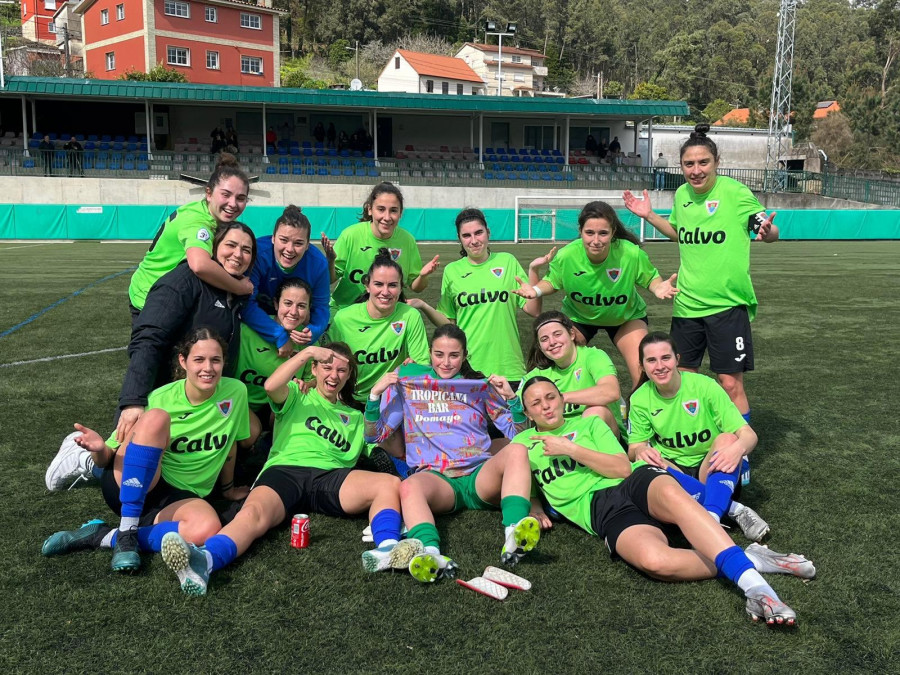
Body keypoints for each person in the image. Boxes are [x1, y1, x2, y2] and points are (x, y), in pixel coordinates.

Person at [516, 377, 814, 626]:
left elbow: (621, 467)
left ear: (561, 398)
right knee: (655, 562)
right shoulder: (522, 445)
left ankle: (757, 589)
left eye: (551, 397)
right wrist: (535, 506)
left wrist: (570, 448)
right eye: (536, 403)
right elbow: (521, 483)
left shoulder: (588, 426)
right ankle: (751, 559)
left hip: (632, 483)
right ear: (527, 413)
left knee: (674, 496)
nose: (546, 406)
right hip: (603, 511)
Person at [158, 342, 405, 596]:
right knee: (252, 513)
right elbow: (270, 386)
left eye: (342, 370)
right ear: (315, 369)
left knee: (389, 483)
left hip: (331, 476)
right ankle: (206, 560)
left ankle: (388, 549)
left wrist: (375, 396)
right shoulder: (297, 394)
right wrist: (309, 352)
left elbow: (376, 438)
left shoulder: (352, 417)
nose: (334, 375)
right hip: (286, 470)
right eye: (327, 367)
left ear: (349, 376)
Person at [42, 329, 251, 572]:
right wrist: (98, 450)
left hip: (181, 497)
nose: (208, 368)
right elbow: (109, 454)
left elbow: (230, 445)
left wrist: (228, 489)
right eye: (199, 360)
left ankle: (102, 536)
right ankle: (126, 527)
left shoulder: (236, 392)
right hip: (132, 484)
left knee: (206, 527)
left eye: (216, 360)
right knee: (156, 418)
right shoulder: (160, 397)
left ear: (224, 362)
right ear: (183, 362)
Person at [623, 123, 779, 419]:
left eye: (703, 162)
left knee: (730, 383)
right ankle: (692, 441)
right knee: (681, 379)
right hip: (687, 306)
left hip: (727, 305)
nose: (696, 170)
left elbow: (768, 229)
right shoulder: (682, 194)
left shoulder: (736, 193)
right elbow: (678, 233)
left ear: (716, 162)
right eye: (689, 164)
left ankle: (740, 450)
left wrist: (767, 232)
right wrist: (650, 215)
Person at [363, 324, 539, 581]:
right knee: (409, 486)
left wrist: (512, 399)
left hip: (479, 476)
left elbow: (519, 434)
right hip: (437, 480)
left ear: (465, 355)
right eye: (439, 354)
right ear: (430, 353)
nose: (446, 362)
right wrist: (375, 394)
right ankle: (431, 552)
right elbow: (374, 435)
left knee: (518, 451)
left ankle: (514, 533)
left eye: (454, 355)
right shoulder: (410, 384)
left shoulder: (478, 386)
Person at [112, 222, 256, 444]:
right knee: (127, 472)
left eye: (246, 250)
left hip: (203, 400)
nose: (238, 254)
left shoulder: (237, 291)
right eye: (231, 245)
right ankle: (84, 459)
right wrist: (133, 401)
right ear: (214, 247)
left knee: (247, 435)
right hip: (165, 396)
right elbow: (148, 339)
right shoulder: (182, 281)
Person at [517, 200, 678, 388]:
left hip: (625, 317)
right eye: (589, 233)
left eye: (603, 233)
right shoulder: (567, 255)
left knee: (644, 373)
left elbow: (650, 278)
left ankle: (637, 416)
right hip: (578, 318)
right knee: (557, 360)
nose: (596, 240)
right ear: (580, 231)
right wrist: (535, 290)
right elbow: (553, 282)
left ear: (613, 233)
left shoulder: (630, 253)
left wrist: (658, 287)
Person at [627, 332, 769, 540]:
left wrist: (737, 450)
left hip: (713, 468)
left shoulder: (704, 386)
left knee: (729, 439)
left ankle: (710, 516)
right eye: (651, 360)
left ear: (677, 359)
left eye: (665, 357)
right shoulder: (640, 398)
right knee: (642, 463)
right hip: (675, 471)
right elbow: (634, 449)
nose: (659, 366)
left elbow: (748, 435)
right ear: (643, 366)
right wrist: (640, 450)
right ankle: (732, 509)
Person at [407, 208, 542, 387]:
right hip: (467, 367)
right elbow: (449, 323)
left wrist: (534, 274)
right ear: (460, 239)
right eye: (467, 235)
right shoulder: (452, 271)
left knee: (510, 415)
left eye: (479, 233)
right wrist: (422, 305)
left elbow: (534, 310)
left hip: (508, 366)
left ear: (488, 233)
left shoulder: (507, 261)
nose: (474, 240)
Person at [127, 153, 253, 322]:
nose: (233, 203)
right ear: (209, 193)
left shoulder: (201, 209)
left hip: (168, 292)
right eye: (226, 194)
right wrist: (239, 288)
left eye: (240, 198)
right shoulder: (199, 222)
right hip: (150, 297)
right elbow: (200, 265)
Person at [328, 248, 429, 402]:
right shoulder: (343, 319)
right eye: (379, 284)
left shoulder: (410, 316)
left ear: (401, 287)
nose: (385, 291)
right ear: (367, 285)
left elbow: (422, 365)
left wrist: (411, 368)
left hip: (391, 400)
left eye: (393, 285)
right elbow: (327, 363)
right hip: (349, 401)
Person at [327, 182, 437, 310]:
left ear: (400, 213)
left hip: (386, 317)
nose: (387, 217)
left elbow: (416, 287)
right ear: (369, 209)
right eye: (381, 209)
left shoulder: (407, 241)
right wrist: (330, 261)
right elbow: (329, 280)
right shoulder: (350, 235)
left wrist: (422, 276)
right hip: (344, 311)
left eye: (393, 210)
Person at [235, 278, 313, 451]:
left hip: (277, 409)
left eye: (301, 306)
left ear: (308, 311)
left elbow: (312, 379)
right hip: (242, 403)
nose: (293, 311)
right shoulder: (247, 331)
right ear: (276, 304)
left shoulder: (308, 340)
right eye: (288, 303)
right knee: (249, 435)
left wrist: (306, 384)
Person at [523, 311, 624, 437]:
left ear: (571, 334)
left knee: (595, 412)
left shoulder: (593, 356)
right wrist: (509, 398)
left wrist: (561, 397)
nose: (552, 342)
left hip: (603, 440)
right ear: (540, 346)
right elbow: (520, 410)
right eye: (545, 339)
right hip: (557, 441)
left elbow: (611, 392)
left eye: (557, 334)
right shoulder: (538, 375)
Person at [244, 205, 330, 354]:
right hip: (258, 321)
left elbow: (321, 307)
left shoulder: (318, 264)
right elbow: (246, 304)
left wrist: (314, 330)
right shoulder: (257, 255)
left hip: (294, 321)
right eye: (283, 240)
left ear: (308, 245)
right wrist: (277, 334)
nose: (289, 249)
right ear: (273, 238)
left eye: (298, 243)